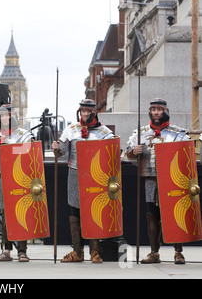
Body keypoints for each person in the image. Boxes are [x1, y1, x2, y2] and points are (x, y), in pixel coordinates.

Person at [126, 98, 190, 264]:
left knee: (174, 214)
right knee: (152, 215)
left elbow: (186, 156)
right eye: (153, 109)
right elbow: (127, 154)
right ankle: (154, 253)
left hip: (173, 180)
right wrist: (134, 151)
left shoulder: (178, 133)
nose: (155, 112)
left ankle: (178, 252)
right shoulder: (140, 133)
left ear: (165, 111)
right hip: (151, 179)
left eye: (159, 109)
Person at [52, 99, 114, 263]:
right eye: (83, 111)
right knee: (75, 212)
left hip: (95, 177)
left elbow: (111, 155)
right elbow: (62, 153)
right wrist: (57, 149)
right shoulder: (71, 130)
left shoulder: (105, 132)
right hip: (75, 173)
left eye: (88, 111)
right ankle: (77, 251)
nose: (85, 114)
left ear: (95, 112)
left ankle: (95, 251)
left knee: (93, 211)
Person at [0, 104, 34, 262]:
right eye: (3, 115)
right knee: (5, 214)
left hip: (19, 178)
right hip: (1, 176)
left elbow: (31, 152)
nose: (5, 118)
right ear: (0, 118)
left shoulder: (24, 134)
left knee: (21, 211)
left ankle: (22, 251)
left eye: (8, 115)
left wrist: (11, 150)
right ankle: (7, 249)